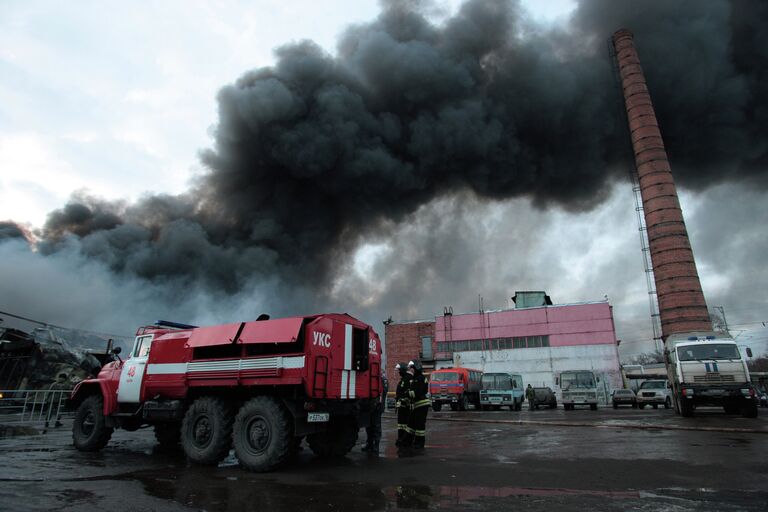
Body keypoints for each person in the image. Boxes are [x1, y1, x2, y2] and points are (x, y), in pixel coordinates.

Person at [400, 360, 430, 453]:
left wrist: (407, 393)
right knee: (411, 424)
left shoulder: (420, 378)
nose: (411, 370)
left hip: (422, 405)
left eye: (412, 368)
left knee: (419, 426)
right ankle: (407, 441)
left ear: (416, 368)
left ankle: (419, 443)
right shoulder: (416, 378)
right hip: (417, 405)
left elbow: (417, 392)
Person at [362, 370, 388, 453]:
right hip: (368, 406)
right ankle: (369, 444)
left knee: (376, 426)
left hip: (377, 406)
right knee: (368, 426)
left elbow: (383, 391)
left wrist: (378, 403)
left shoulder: (383, 379)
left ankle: (376, 445)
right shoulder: (369, 378)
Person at [394, 362, 411, 446]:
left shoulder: (408, 378)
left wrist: (403, 400)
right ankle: (401, 438)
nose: (399, 372)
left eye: (400, 370)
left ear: (403, 370)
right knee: (401, 425)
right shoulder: (404, 378)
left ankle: (405, 440)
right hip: (401, 406)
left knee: (405, 424)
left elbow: (408, 393)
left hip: (406, 407)